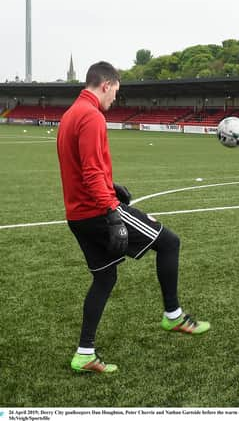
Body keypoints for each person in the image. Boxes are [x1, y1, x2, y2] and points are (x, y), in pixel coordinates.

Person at [57, 61, 210, 374]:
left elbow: (80, 166)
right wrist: (113, 210)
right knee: (169, 242)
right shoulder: (91, 116)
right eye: (116, 91)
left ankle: (84, 353)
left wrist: (111, 185)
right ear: (106, 84)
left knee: (105, 277)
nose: (116, 98)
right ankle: (173, 316)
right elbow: (89, 170)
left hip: (78, 214)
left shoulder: (71, 114)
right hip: (98, 211)